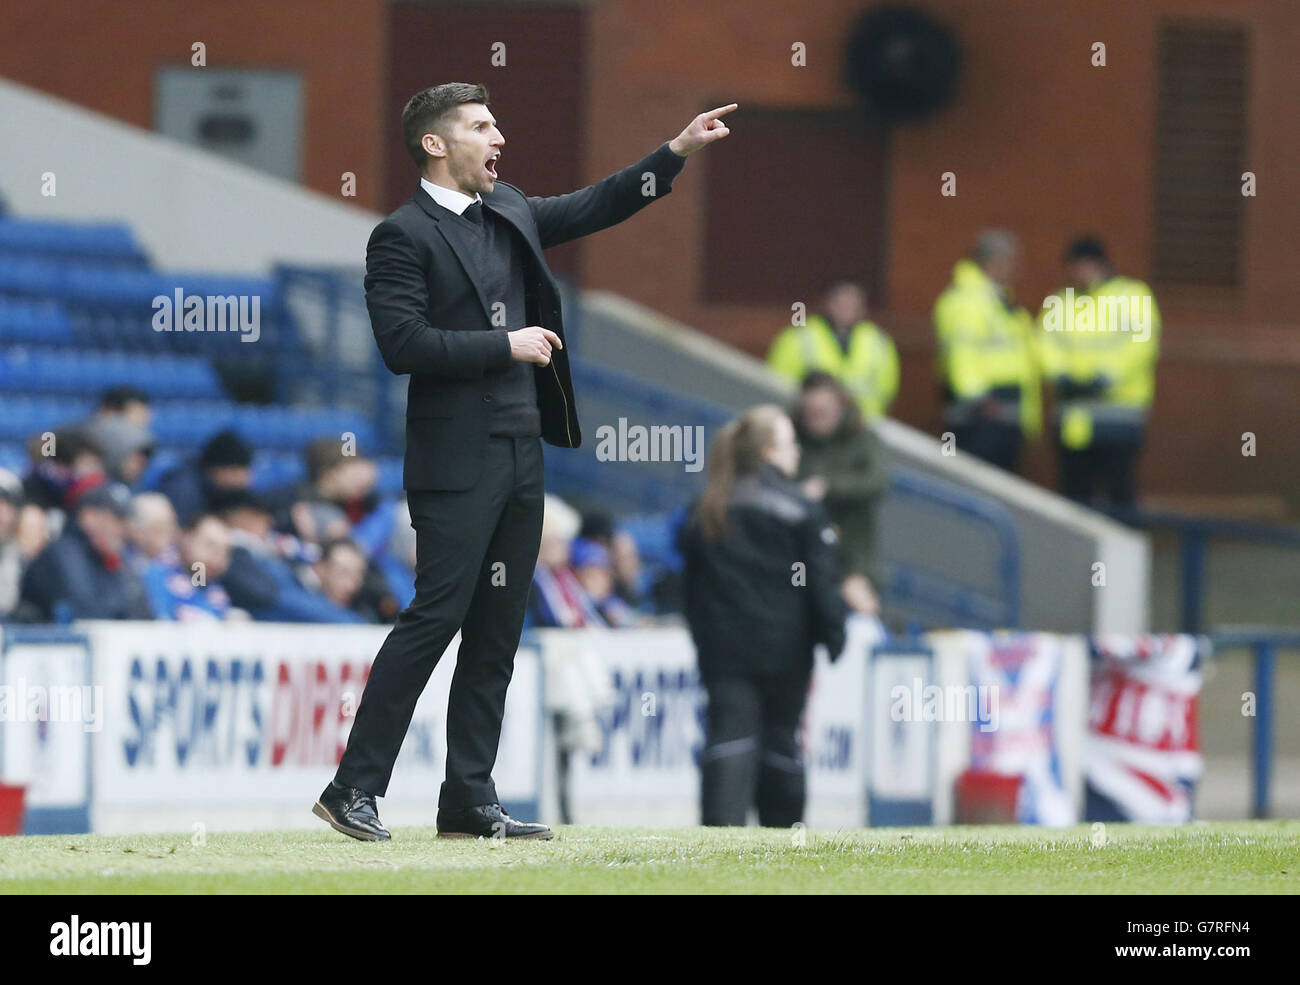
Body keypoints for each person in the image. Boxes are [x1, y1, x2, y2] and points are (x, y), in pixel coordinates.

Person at [317, 81, 735, 841]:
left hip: (521, 449)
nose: (498, 136)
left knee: (499, 629)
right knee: (435, 617)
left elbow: (597, 203)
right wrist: (503, 344)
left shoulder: (507, 208)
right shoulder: (401, 236)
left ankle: (468, 799)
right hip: (455, 459)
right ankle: (352, 786)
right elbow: (401, 345)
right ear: (436, 144)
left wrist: (674, 153)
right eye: (481, 125)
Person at [678, 404, 849, 827]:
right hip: (786, 650)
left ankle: (719, 835)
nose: (797, 454)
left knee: (729, 739)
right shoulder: (800, 511)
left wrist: (705, 641)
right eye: (792, 444)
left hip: (725, 651)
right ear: (771, 451)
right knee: (780, 741)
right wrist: (834, 636)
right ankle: (784, 834)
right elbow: (820, 584)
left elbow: (690, 589)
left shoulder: (706, 509)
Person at [1038, 236, 1161, 509]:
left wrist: (1107, 376)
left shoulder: (1132, 295)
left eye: (1086, 265)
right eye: (1075, 266)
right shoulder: (1061, 301)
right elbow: (1046, 344)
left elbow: (1142, 343)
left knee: (1120, 490)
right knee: (1075, 490)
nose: (1081, 273)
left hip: (1119, 412)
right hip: (1075, 414)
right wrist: (1061, 375)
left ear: (1101, 264)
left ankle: (1123, 550)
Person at [933, 229, 1042, 471]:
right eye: (1011, 261)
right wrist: (977, 398)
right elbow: (961, 352)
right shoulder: (968, 300)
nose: (1016, 268)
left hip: (1002, 411)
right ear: (994, 261)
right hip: (982, 413)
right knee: (977, 481)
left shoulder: (999, 300)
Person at [792, 371, 889, 614]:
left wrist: (829, 486)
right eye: (810, 413)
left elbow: (878, 482)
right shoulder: (794, 439)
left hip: (853, 559)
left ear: (839, 407)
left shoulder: (862, 439)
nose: (815, 420)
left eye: (822, 412)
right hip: (802, 559)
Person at [18, 482, 153, 622]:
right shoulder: (63, 554)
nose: (124, 529)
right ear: (88, 516)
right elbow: (86, 612)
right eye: (116, 519)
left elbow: (142, 612)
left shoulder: (115, 556)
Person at [767, 280, 899, 421]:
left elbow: (887, 391)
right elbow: (777, 387)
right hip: (810, 426)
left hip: (863, 427)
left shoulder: (879, 342)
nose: (846, 306)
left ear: (863, 306)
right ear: (826, 302)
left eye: (852, 301)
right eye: (840, 300)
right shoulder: (797, 338)